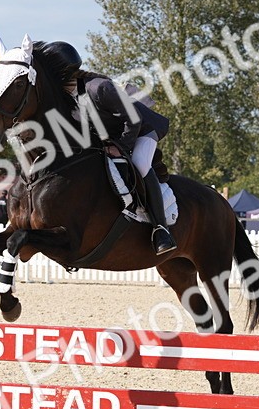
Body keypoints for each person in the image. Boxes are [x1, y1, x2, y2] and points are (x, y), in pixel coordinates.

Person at [38, 40, 176, 255]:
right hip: (111, 133)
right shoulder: (65, 98)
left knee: (139, 164)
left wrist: (121, 147)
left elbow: (133, 120)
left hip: (142, 129)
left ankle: (161, 229)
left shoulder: (98, 87)